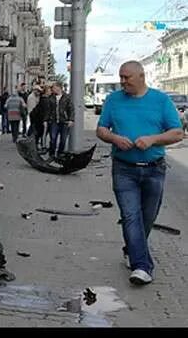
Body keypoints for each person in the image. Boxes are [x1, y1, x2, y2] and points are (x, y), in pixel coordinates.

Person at [96, 61, 183, 285]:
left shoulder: (161, 100)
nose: (122, 82)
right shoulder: (113, 100)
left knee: (146, 218)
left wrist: (153, 139)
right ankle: (142, 267)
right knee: (130, 216)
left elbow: (177, 133)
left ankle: (131, 249)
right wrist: (115, 138)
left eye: (127, 78)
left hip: (154, 170)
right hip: (124, 169)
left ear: (141, 76)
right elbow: (101, 129)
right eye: (121, 77)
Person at [48, 82, 74, 159]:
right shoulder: (51, 97)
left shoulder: (67, 97)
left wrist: (71, 120)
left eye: (53, 88)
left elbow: (71, 109)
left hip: (64, 121)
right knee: (53, 138)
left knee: (63, 139)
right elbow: (48, 110)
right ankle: (52, 153)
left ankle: (60, 153)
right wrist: (47, 120)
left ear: (58, 88)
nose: (52, 89)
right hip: (54, 121)